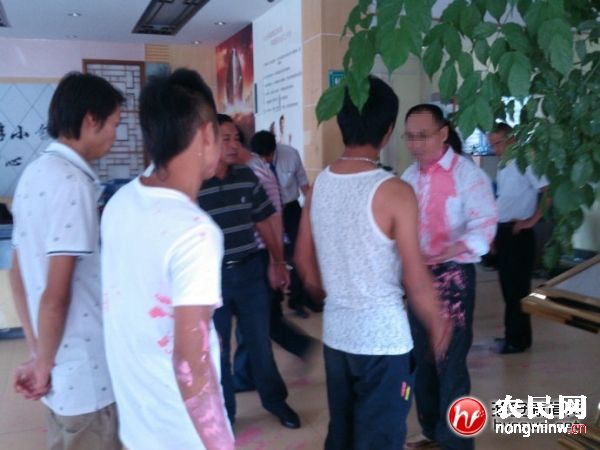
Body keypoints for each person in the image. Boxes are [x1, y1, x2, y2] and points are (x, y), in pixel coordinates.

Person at [295, 76, 452, 450]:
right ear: (388, 131)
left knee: (342, 432)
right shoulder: (395, 192)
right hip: (384, 341)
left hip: (337, 336)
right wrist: (438, 324)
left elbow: (302, 261)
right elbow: (415, 279)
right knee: (380, 438)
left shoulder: (319, 187)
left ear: (341, 123)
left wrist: (335, 294)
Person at [101, 69, 234, 449]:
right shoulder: (195, 232)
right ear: (206, 135)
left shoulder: (121, 202)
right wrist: (220, 444)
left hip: (137, 425)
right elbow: (192, 362)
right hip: (181, 433)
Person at [9, 71, 123, 450]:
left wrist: (38, 353)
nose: (115, 134)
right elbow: (57, 295)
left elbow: (17, 273)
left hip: (60, 365)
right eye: (114, 123)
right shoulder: (74, 184)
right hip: (86, 373)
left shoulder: (34, 174)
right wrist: (43, 365)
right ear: (91, 120)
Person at [401, 104, 497, 450]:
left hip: (454, 276)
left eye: (423, 136)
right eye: (410, 137)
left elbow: (485, 226)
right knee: (422, 360)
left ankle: (457, 443)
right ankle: (431, 431)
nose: (415, 144)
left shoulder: (468, 176)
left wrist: (454, 247)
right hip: (417, 276)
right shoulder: (408, 178)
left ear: (443, 133)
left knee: (451, 364)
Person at [198, 114, 300, 429]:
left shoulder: (246, 176)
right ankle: (225, 414)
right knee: (218, 351)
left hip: (249, 273)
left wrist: (277, 261)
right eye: (225, 139)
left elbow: (264, 221)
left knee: (259, 344)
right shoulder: (193, 183)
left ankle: (275, 401)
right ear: (208, 141)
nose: (233, 145)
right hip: (210, 280)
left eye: (236, 139)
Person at [232, 130, 316, 393]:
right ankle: (247, 374)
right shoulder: (246, 170)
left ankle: (255, 374)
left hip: (260, 255)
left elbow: (273, 219)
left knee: (260, 320)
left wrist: (275, 262)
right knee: (260, 319)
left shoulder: (257, 173)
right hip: (255, 256)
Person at [487, 122, 549, 354]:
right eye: (492, 145)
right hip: (504, 231)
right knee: (507, 288)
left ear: (511, 139)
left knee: (517, 290)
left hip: (519, 233)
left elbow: (548, 192)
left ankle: (518, 341)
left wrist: (531, 221)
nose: (495, 149)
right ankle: (512, 334)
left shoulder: (526, 162)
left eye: (498, 143)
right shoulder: (504, 166)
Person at [272, 135, 314, 317]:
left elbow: (304, 184)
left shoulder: (290, 154)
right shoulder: (253, 160)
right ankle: (274, 300)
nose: (267, 159)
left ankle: (297, 299)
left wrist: (313, 211)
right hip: (267, 210)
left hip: (290, 208)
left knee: (300, 251)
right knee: (271, 254)